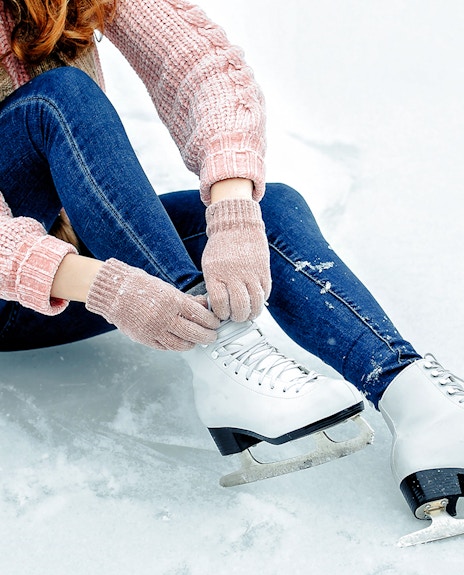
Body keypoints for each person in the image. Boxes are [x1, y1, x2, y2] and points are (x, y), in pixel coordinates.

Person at [1, 0, 463, 534]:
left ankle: (416, 401)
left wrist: (233, 205)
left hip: (83, 255)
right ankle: (219, 351)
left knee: (273, 210)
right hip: (16, 296)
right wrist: (104, 285)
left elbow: (202, 65)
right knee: (61, 100)